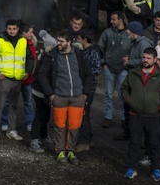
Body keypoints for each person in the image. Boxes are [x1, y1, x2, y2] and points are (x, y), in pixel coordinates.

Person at [38, 28, 94, 163]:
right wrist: (51, 94)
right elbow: (42, 74)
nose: (58, 43)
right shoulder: (52, 55)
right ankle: (60, 151)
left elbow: (89, 74)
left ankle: (71, 151)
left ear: (69, 42)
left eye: (61, 41)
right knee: (59, 126)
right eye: (58, 40)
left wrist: (85, 93)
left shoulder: (79, 55)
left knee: (74, 126)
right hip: (59, 97)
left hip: (77, 97)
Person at [120, 48, 160, 181]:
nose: (145, 60)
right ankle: (131, 167)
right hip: (135, 114)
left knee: (154, 143)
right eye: (144, 57)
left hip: (154, 116)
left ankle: (156, 169)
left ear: (155, 60)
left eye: (149, 58)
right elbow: (124, 88)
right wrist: (129, 100)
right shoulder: (133, 74)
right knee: (134, 142)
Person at [0, 20, 32, 144]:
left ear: (18, 29)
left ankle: (11, 129)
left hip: (17, 80)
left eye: (14, 28)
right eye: (9, 28)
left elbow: (30, 57)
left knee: (14, 106)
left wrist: (27, 72)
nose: (12, 31)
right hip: (4, 79)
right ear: (6, 29)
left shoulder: (23, 42)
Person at [97, 12, 132, 128]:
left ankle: (123, 117)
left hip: (123, 69)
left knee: (123, 95)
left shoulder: (129, 34)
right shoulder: (107, 33)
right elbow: (99, 48)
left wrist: (129, 62)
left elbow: (134, 48)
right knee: (108, 94)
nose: (111, 21)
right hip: (109, 68)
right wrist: (103, 63)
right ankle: (108, 117)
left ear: (120, 20)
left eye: (113, 19)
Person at [77, 29, 103, 150]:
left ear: (84, 39)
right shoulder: (85, 50)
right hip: (84, 87)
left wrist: (84, 72)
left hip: (88, 89)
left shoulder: (93, 52)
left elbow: (96, 69)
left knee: (84, 114)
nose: (77, 41)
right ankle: (88, 138)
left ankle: (84, 141)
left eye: (79, 39)